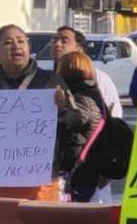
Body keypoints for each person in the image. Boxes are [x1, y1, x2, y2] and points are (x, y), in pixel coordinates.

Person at [0, 24, 69, 201]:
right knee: (0, 219)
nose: (16, 46)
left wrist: (62, 108)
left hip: (41, 180)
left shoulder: (50, 80)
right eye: (8, 42)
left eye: (21, 41)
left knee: (40, 220)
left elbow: (76, 122)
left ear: (29, 47)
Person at [50, 27, 123, 204]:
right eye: (55, 39)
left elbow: (112, 125)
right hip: (58, 175)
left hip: (89, 173)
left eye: (64, 40)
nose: (57, 44)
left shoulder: (99, 79)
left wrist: (107, 169)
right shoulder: (47, 79)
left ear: (80, 48)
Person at [55, 51, 107, 203]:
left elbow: (72, 123)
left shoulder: (81, 97)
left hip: (78, 171)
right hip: (86, 169)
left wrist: (61, 110)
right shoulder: (92, 93)